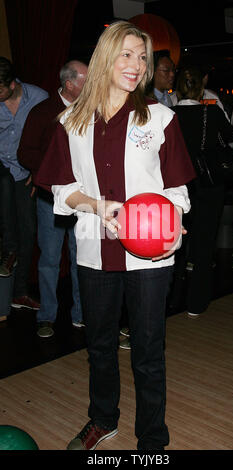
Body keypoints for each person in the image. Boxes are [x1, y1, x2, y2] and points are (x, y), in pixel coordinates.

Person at [34, 21, 195, 450]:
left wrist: (174, 222)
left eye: (142, 57)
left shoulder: (161, 117)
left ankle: (152, 439)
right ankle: (102, 419)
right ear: (106, 57)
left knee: (147, 350)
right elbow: (62, 188)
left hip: (150, 254)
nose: (136, 64)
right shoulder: (71, 121)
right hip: (93, 251)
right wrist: (96, 206)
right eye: (127, 54)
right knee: (100, 346)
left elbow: (177, 190)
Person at [18, 60, 88, 338]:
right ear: (69, 84)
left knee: (80, 257)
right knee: (49, 258)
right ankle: (47, 316)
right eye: (86, 81)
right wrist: (46, 172)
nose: (91, 85)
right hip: (51, 198)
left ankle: (81, 314)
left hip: (84, 198)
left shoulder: (90, 110)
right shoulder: (43, 112)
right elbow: (25, 153)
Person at [172, 66, 233, 317]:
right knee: (204, 244)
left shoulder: (169, 114)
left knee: (177, 244)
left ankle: (173, 298)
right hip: (209, 185)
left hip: (179, 185)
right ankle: (196, 303)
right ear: (201, 89)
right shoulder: (212, 112)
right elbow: (231, 136)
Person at [0, 56, 48, 309]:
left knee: (28, 231)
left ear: (11, 84)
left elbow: (52, 138)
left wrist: (39, 169)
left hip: (24, 173)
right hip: (1, 171)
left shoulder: (38, 98)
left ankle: (19, 292)